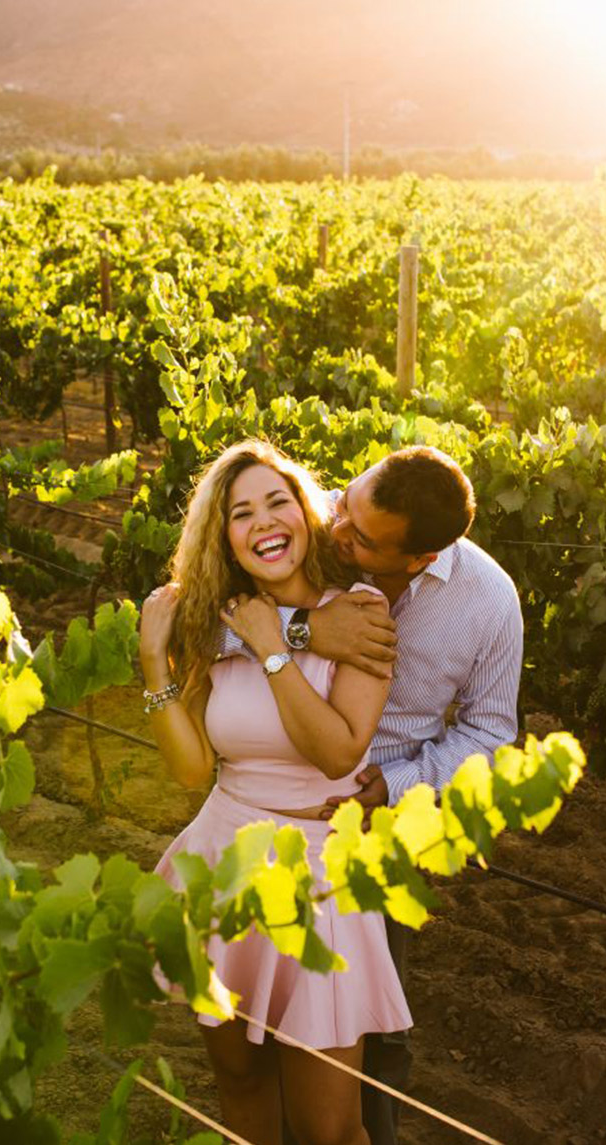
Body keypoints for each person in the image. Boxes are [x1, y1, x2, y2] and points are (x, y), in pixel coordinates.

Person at [217, 445, 524, 1145]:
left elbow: (490, 731)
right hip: (266, 801)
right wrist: (305, 628)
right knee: (252, 1028)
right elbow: (204, 619)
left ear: (414, 559)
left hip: (374, 828)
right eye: (345, 505)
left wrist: (395, 784)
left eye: (360, 537)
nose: (337, 532)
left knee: (366, 1034)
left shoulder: (487, 602)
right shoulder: (312, 526)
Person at [139, 439, 412, 1145]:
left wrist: (273, 647)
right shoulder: (219, 619)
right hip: (223, 858)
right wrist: (153, 662)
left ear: (306, 510)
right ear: (224, 536)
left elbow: (337, 750)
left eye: (277, 500)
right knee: (241, 1083)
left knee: (329, 1128)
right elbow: (193, 768)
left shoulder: (359, 612)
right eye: (241, 511)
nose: (264, 521)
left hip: (319, 876)